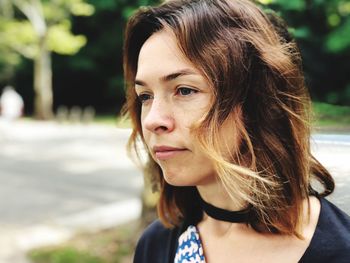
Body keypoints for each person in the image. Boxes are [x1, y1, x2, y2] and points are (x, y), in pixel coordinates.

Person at [122, 0, 350, 262]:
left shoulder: (340, 252)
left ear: (258, 100)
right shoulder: (157, 245)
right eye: (145, 96)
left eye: (185, 90)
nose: (152, 120)